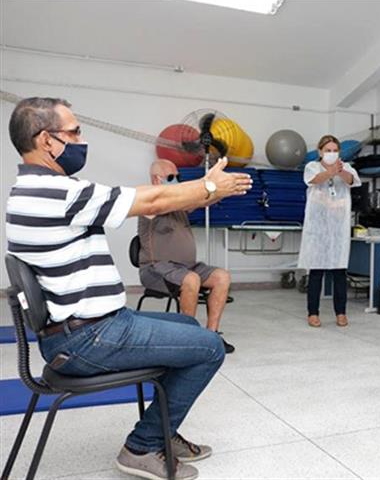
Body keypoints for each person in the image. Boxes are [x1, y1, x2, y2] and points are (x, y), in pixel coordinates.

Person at [5, 97, 252, 480]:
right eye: (74, 132)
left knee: (188, 328)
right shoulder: (55, 194)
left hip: (86, 329)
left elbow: (156, 200)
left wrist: (210, 191)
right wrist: (207, 184)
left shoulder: (38, 189)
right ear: (46, 140)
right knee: (209, 347)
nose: (81, 140)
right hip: (88, 338)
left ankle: (162, 429)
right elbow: (152, 198)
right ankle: (142, 446)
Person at [138, 159, 235, 354]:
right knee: (191, 279)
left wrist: (223, 190)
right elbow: (190, 198)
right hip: (157, 269)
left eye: (178, 177)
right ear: (157, 179)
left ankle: (212, 334)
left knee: (222, 277)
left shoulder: (180, 204)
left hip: (186, 267)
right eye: (171, 177)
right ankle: (189, 337)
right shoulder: (150, 203)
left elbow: (201, 201)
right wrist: (208, 185)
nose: (177, 181)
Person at [298, 135, 361, 328]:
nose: (331, 153)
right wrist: (330, 172)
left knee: (339, 271)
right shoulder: (312, 166)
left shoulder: (346, 167)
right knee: (316, 271)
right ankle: (313, 313)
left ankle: (341, 313)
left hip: (338, 228)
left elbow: (352, 180)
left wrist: (340, 171)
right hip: (317, 228)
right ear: (320, 152)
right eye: (328, 150)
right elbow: (313, 180)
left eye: (335, 150)